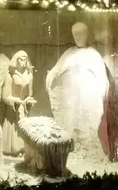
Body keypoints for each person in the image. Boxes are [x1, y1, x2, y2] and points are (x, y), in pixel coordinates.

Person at [46, 22, 110, 160]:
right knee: (70, 122)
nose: (78, 37)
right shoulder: (68, 53)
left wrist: (101, 96)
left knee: (86, 126)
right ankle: (70, 151)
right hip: (70, 97)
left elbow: (103, 79)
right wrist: (50, 77)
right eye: (75, 34)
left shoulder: (93, 55)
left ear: (87, 34)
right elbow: (56, 70)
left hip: (87, 99)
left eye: (80, 34)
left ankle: (88, 153)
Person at [0, 51, 35, 156]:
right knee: (14, 127)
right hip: (13, 107)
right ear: (16, 60)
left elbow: (29, 93)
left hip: (24, 108)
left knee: (23, 127)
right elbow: (5, 96)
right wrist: (16, 101)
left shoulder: (29, 75)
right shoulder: (10, 75)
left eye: (25, 59)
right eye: (20, 59)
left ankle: (24, 149)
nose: (23, 62)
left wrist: (28, 100)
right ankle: (14, 150)